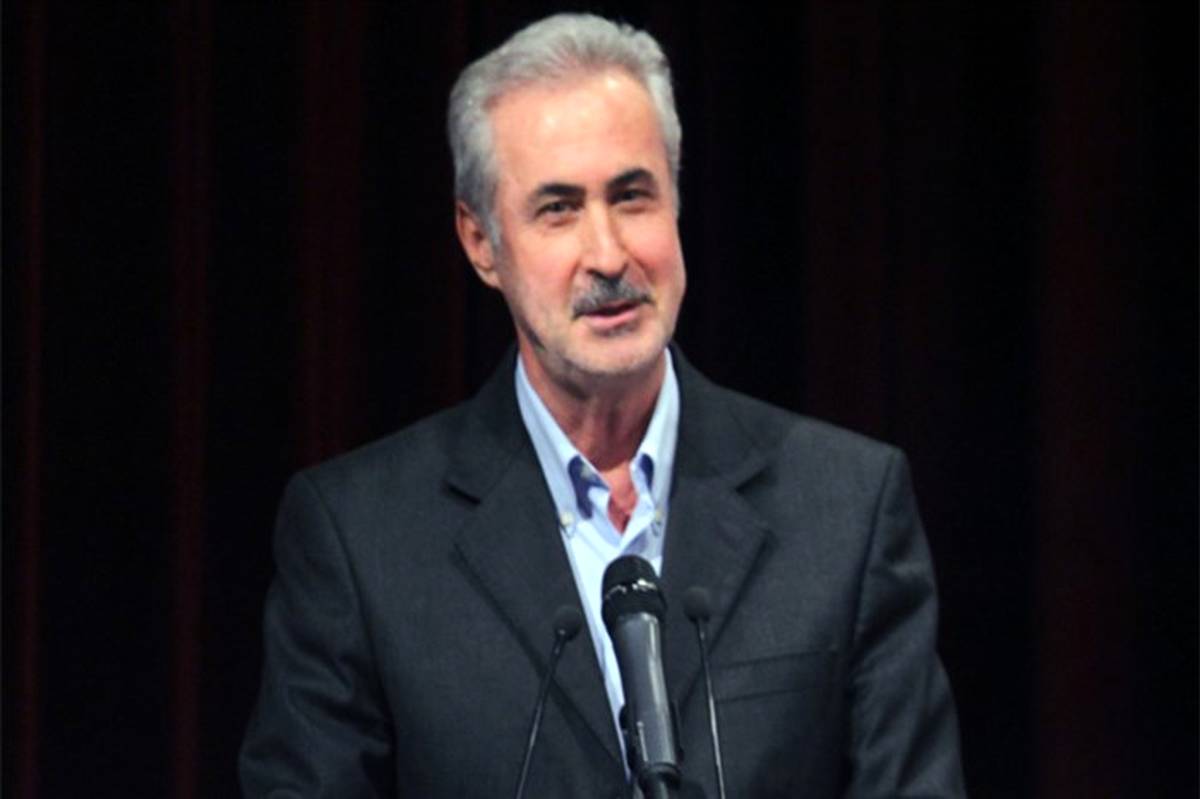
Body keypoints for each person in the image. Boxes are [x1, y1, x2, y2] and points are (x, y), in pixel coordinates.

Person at [240, 13, 966, 798]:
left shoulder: (845, 507)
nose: (610, 254)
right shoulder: (362, 537)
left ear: (676, 201)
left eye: (632, 196)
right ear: (481, 242)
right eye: (558, 208)